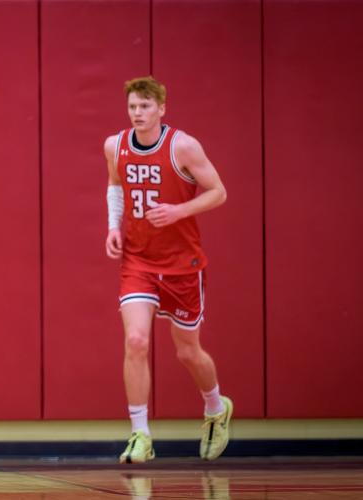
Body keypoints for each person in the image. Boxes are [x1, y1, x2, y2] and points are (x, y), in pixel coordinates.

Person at [103, 76, 232, 463]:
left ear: (161, 108)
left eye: (145, 106)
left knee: (188, 352)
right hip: (139, 261)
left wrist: (180, 210)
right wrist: (113, 226)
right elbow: (115, 186)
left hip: (182, 264)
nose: (138, 113)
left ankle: (215, 407)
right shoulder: (116, 145)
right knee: (137, 341)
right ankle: (140, 434)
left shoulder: (184, 146)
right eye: (132, 107)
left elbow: (218, 192)